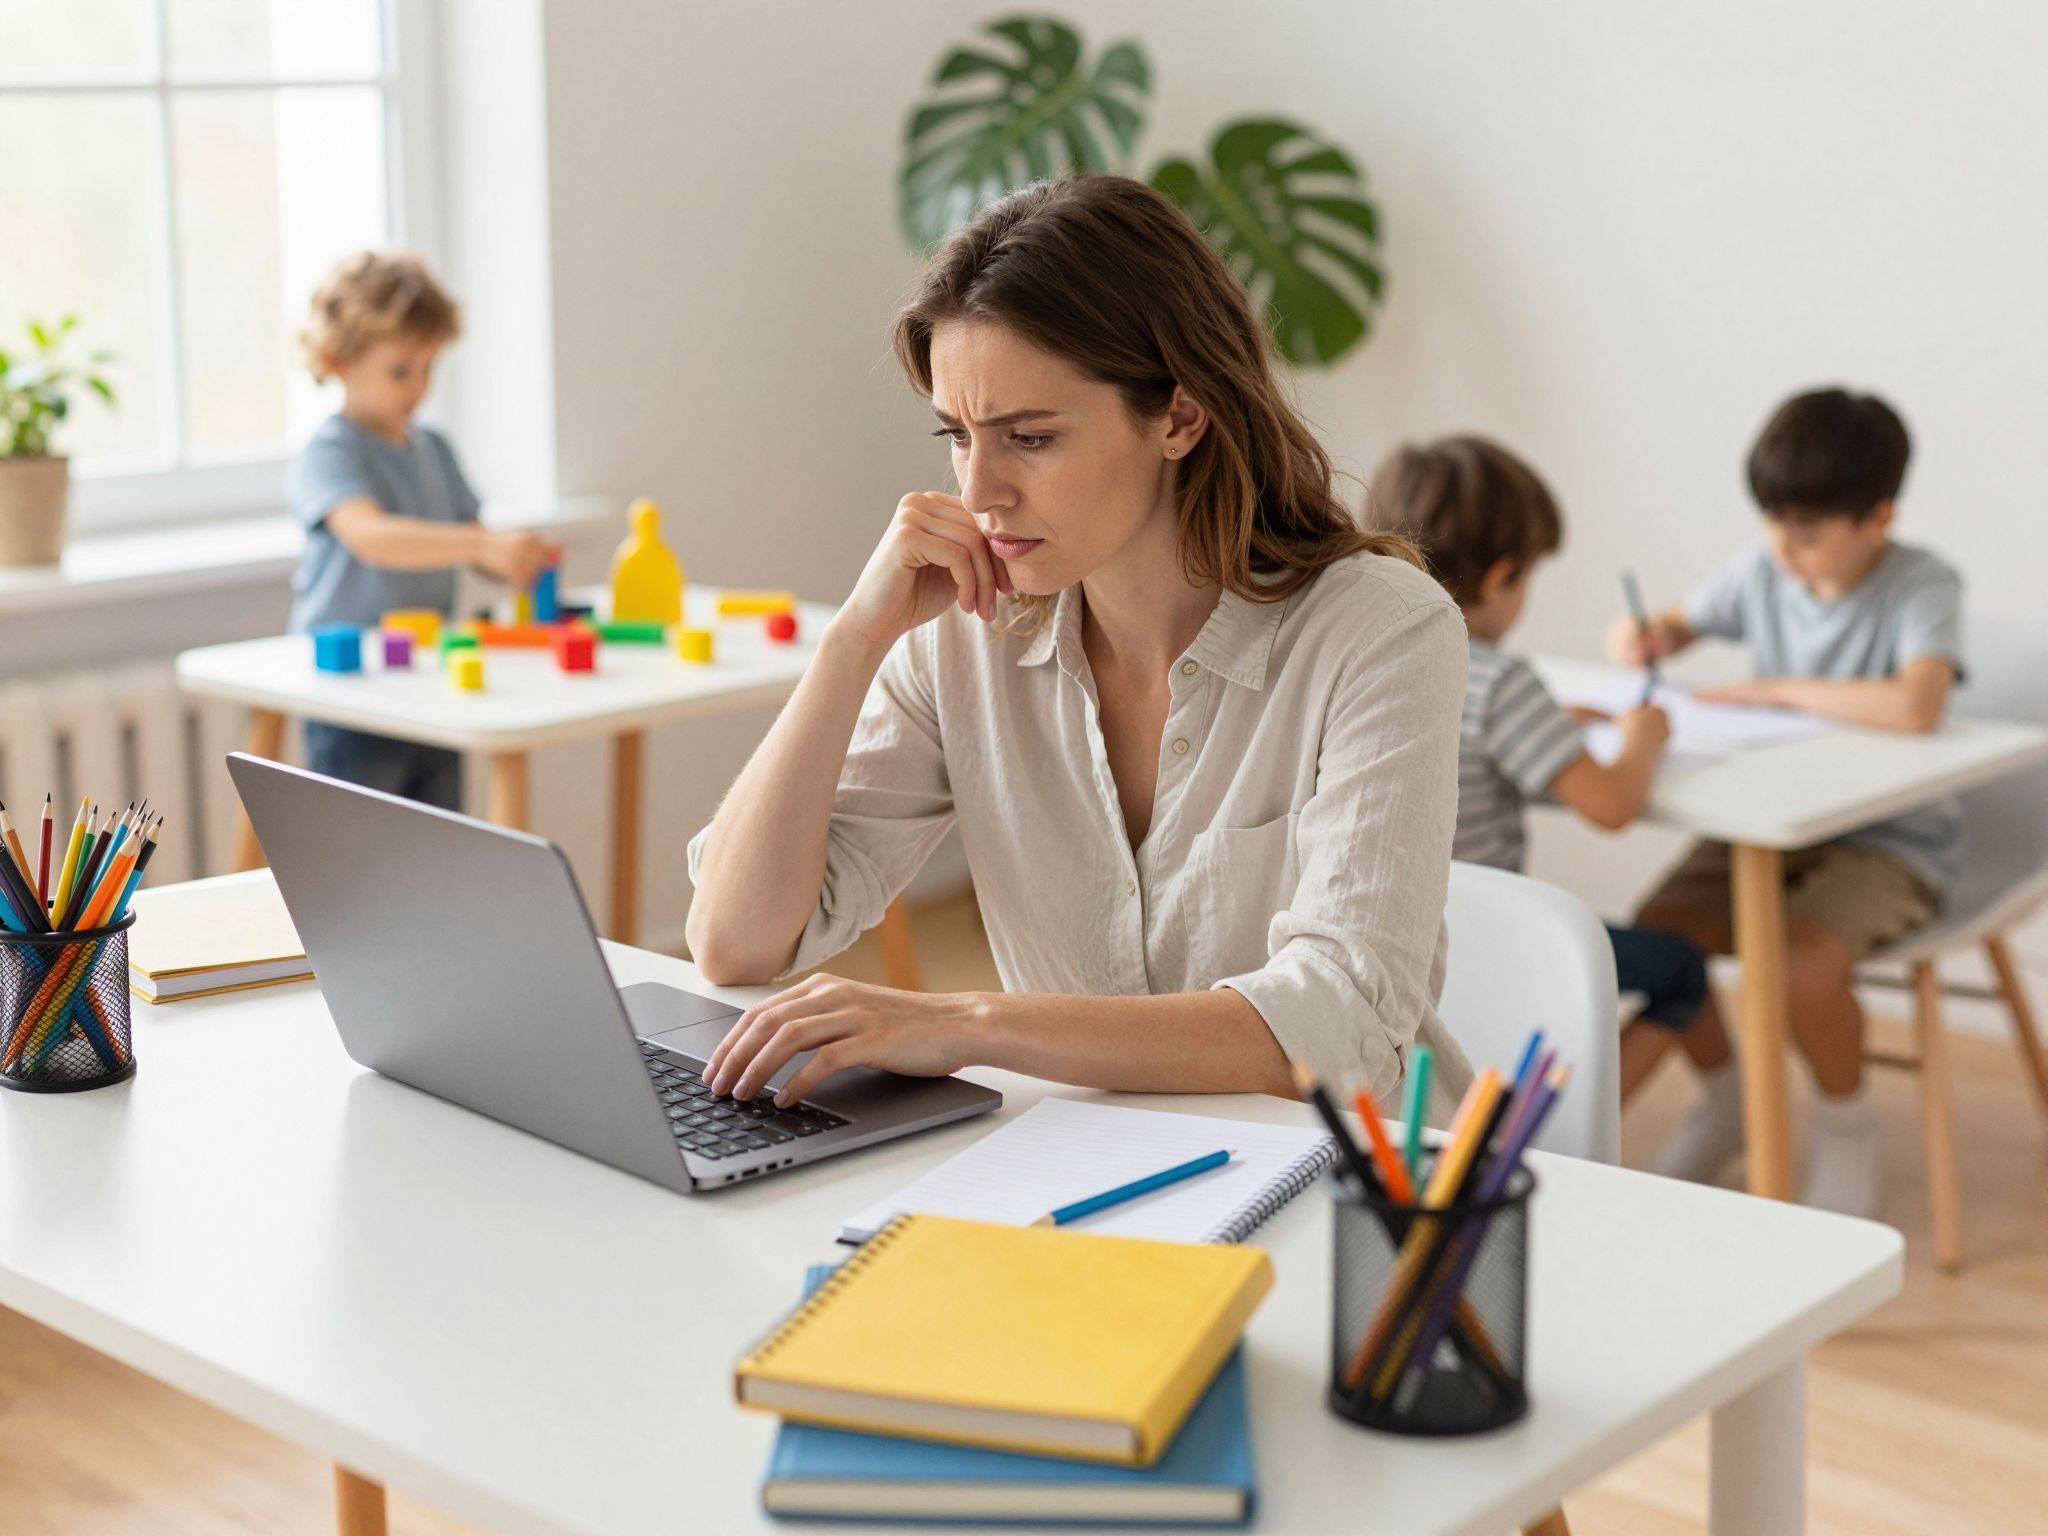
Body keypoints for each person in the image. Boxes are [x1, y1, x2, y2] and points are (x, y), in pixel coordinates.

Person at [685, 174, 1473, 1112]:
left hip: (1349, 1188)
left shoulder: (1381, 630)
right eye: (957, 436)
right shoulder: (963, 635)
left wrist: (970, 1026)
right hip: (1089, 1176)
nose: (979, 493)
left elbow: (1341, 1017)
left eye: (1028, 437)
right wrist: (853, 641)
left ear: (1179, 417)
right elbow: (735, 940)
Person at [1611, 387, 1962, 1216]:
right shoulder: (1764, 565)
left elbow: (1917, 705)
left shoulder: (1920, 585)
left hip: (1891, 838)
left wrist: (1775, 691)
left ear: (1878, 519)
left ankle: (1846, 1126)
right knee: (1666, 942)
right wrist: (1645, 638)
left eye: (1807, 535)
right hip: (1766, 823)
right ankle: (1729, 1106)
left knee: (1803, 965)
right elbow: (1674, 622)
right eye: (1774, 525)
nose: (1783, 549)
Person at [1368, 435, 1735, 1116]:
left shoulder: (1369, 650)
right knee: (1681, 967)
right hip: (1491, 949)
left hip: (1389, 949)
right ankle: (1566, 1128)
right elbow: (1613, 804)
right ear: (1502, 577)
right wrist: (1642, 738)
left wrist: (1548, 719)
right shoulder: (1502, 679)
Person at [290, 250, 559, 810]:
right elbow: (372, 537)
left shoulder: (433, 449)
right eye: (400, 370)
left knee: (436, 834)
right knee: (360, 849)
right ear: (339, 360)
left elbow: (472, 541)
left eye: (429, 367)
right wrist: (481, 544)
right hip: (352, 695)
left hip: (428, 684)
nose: (419, 386)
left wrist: (512, 556)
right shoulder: (331, 451)